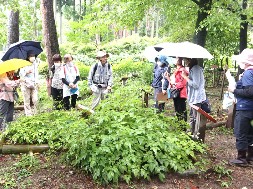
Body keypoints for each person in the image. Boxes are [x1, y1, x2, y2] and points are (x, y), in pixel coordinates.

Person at [227, 48, 253, 166]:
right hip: (250, 108)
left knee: (241, 131)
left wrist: (234, 90)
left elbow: (250, 92)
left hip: (245, 107)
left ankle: (242, 158)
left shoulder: (248, 73)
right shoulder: (250, 73)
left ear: (246, 62)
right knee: (249, 132)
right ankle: (250, 156)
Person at [181, 58, 206, 137]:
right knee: (192, 115)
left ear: (190, 61)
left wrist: (185, 77)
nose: (185, 62)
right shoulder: (194, 69)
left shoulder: (196, 69)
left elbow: (195, 85)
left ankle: (196, 135)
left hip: (196, 97)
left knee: (196, 116)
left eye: (186, 61)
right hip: (193, 97)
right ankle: (191, 133)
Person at [19, 50, 39, 116]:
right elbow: (20, 74)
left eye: (33, 56)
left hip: (34, 84)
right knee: (26, 100)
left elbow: (36, 74)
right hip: (25, 84)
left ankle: (36, 113)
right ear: (28, 57)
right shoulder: (23, 64)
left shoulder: (35, 64)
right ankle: (28, 115)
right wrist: (26, 72)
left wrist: (37, 82)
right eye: (31, 56)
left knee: (35, 99)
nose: (33, 57)